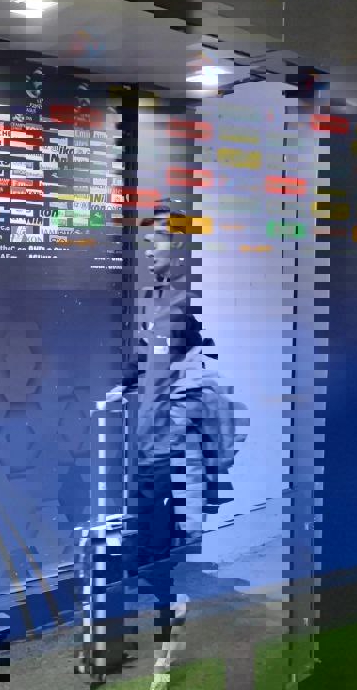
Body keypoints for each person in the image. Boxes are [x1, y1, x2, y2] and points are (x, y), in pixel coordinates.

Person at [80, 199, 245, 689]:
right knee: (140, 547)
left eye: (164, 237)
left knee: (169, 547)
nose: (154, 246)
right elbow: (148, 354)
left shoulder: (196, 293)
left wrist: (188, 408)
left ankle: (171, 649)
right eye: (150, 237)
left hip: (178, 442)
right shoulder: (155, 295)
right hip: (151, 444)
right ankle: (142, 643)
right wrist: (124, 387)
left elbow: (203, 361)